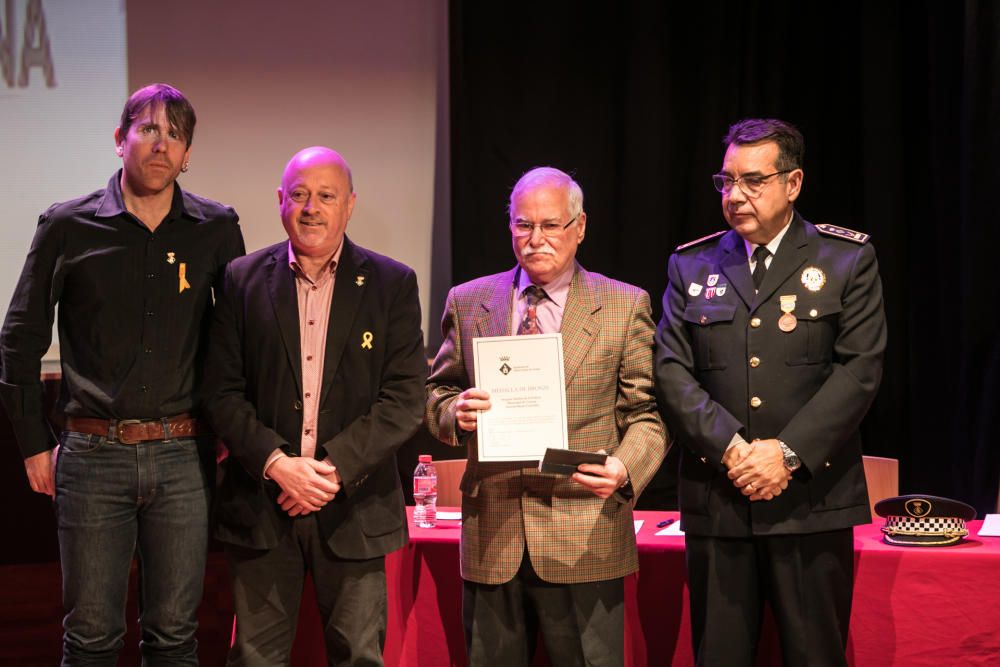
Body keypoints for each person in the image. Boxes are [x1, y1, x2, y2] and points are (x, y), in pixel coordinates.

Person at [0, 83, 244, 664]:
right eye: (148, 129)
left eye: (175, 135)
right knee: (90, 639)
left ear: (187, 155)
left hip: (185, 455)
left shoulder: (215, 228)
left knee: (175, 637)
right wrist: (35, 445)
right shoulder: (67, 226)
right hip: (91, 454)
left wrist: (233, 429)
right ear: (120, 140)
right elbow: (20, 338)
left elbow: (239, 340)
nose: (161, 145)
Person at [654, 118, 887, 666]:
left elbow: (859, 372)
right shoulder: (692, 263)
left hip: (811, 501)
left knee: (814, 656)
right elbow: (671, 370)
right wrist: (733, 449)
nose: (735, 196)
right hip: (721, 498)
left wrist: (784, 454)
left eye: (752, 181)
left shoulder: (845, 260)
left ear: (794, 183)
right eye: (726, 181)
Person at [425, 167, 667, 667]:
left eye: (551, 225)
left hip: (583, 533)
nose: (536, 240)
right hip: (492, 536)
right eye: (523, 225)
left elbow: (647, 415)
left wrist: (624, 467)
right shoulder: (469, 301)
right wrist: (456, 413)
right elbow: (438, 393)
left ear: (579, 228)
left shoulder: (624, 304)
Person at [204, 146, 427, 666]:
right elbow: (221, 391)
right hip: (262, 506)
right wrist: (279, 466)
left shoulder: (393, 284)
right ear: (280, 202)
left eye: (326, 196)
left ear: (349, 204)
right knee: (254, 659)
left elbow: (404, 398)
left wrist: (328, 471)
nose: (311, 207)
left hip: (355, 509)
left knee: (359, 657)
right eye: (299, 195)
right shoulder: (240, 280)